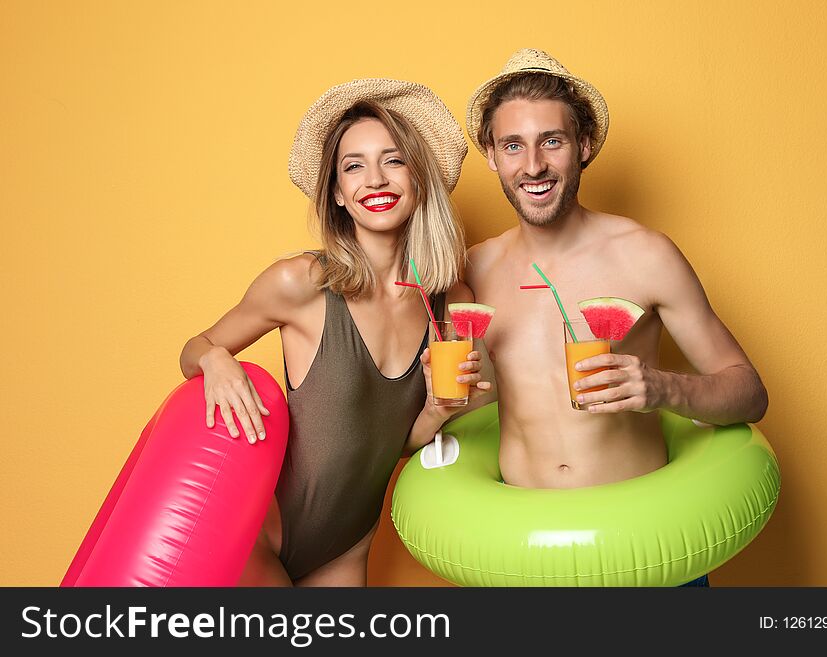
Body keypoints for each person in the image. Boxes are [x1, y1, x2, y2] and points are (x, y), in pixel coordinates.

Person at [463, 51, 768, 586]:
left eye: (552, 141)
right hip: (523, 551)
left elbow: (749, 393)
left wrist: (661, 387)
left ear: (583, 146)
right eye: (513, 145)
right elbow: (475, 399)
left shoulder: (645, 255)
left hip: (641, 548)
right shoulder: (474, 270)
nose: (532, 165)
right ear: (492, 155)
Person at [179, 79, 489, 586]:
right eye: (354, 166)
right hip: (259, 536)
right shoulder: (300, 283)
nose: (375, 179)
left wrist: (437, 410)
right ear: (339, 195)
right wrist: (215, 360)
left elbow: (393, 444)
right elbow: (194, 349)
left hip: (345, 551)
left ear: (419, 178)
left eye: (393, 160)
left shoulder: (450, 304)